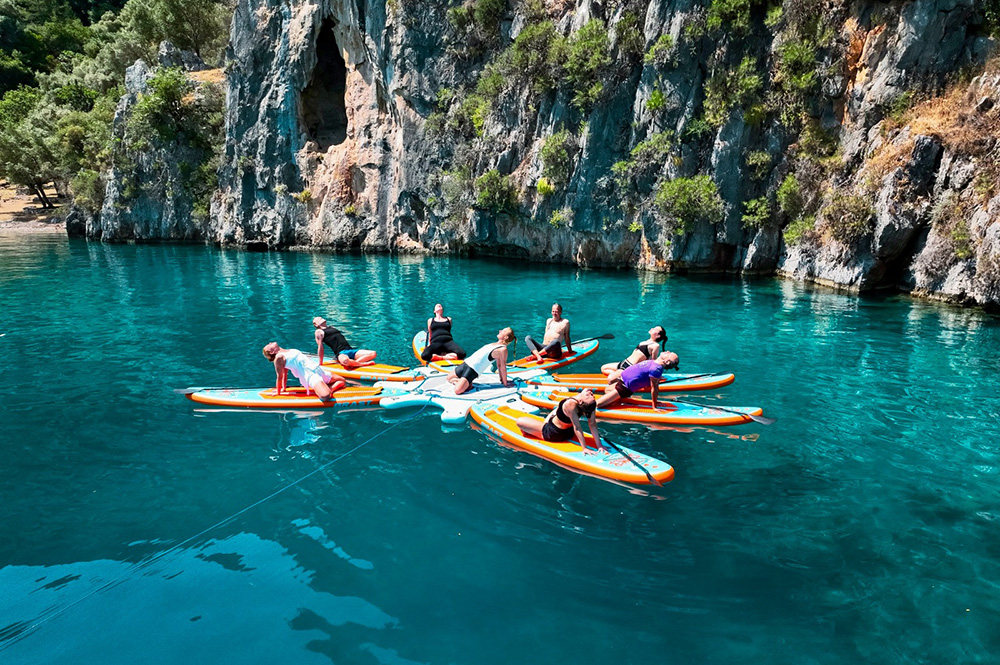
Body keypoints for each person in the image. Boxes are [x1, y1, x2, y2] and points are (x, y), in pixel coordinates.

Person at [516, 389, 607, 455]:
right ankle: (544, 425)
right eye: (591, 395)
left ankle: (539, 433)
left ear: (580, 402)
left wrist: (585, 448)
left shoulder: (570, 404)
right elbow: (592, 424)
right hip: (568, 431)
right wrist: (599, 445)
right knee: (556, 410)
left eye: (588, 396)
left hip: (554, 433)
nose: (590, 393)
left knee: (519, 421)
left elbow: (578, 427)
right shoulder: (589, 405)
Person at [262, 342, 347, 400]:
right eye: (268, 345)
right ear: (272, 352)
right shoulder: (279, 357)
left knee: (342, 381)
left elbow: (286, 373)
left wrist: (284, 388)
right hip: (309, 376)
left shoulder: (289, 350)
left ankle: (328, 388)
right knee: (326, 396)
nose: (269, 343)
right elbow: (280, 376)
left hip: (317, 370)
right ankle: (326, 389)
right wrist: (279, 392)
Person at [597, 351, 680, 410]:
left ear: (667, 361)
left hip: (623, 388)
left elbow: (654, 388)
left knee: (598, 404)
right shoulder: (655, 363)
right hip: (620, 381)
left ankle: (616, 400)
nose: (668, 351)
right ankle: (617, 400)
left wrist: (654, 405)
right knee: (606, 390)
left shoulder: (656, 369)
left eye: (670, 354)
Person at [446, 327, 515, 395]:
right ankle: (467, 384)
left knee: (457, 391)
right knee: (449, 378)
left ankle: (468, 384)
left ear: (506, 337)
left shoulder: (503, 349)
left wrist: (504, 383)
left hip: (473, 369)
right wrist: (502, 380)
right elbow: (499, 366)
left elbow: (501, 366)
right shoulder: (493, 344)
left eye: (503, 331)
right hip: (466, 363)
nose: (500, 331)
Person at [600, 325, 668, 374]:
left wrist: (653, 375)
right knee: (603, 368)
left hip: (630, 367)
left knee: (610, 377)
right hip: (624, 362)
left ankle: (622, 376)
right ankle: (620, 376)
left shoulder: (656, 345)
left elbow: (653, 362)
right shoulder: (646, 341)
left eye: (655, 329)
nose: (652, 328)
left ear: (658, 335)